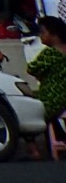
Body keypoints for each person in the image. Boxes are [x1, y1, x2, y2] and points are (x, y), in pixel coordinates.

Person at [25, 14, 66, 160]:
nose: (41, 36)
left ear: (53, 34)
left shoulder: (50, 53)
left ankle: (34, 151)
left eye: (43, 33)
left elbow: (32, 68)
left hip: (52, 98)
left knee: (26, 115)